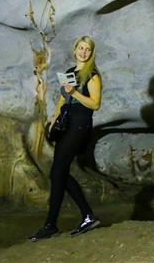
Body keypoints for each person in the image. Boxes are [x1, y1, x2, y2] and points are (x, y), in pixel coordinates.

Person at [29, 36, 103, 241]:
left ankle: (51, 224)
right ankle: (87, 215)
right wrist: (54, 118)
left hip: (80, 126)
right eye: (81, 48)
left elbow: (95, 104)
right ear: (75, 49)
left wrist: (75, 92)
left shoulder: (93, 75)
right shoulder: (70, 73)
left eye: (87, 49)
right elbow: (64, 97)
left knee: (57, 172)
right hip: (67, 125)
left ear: (91, 53)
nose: (83, 52)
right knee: (58, 173)